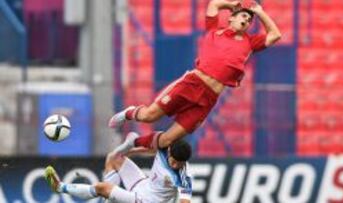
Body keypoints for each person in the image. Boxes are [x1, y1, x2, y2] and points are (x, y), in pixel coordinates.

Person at [108, 0, 281, 153]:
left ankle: (134, 142)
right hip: (192, 84)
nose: (246, 21)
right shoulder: (214, 31)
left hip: (209, 98)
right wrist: (233, 5)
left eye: (249, 20)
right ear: (231, 18)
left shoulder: (250, 42)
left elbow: (275, 35)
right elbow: (214, 4)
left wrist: (259, 12)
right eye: (243, 16)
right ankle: (129, 113)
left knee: (168, 140)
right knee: (149, 116)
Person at [44, 137, 193, 203]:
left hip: (145, 201)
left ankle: (59, 187)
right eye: (173, 162)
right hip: (142, 185)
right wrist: (129, 152)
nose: (175, 166)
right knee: (114, 157)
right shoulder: (164, 147)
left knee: (103, 188)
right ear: (169, 152)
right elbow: (153, 151)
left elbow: (185, 201)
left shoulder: (184, 177)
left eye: (180, 164)